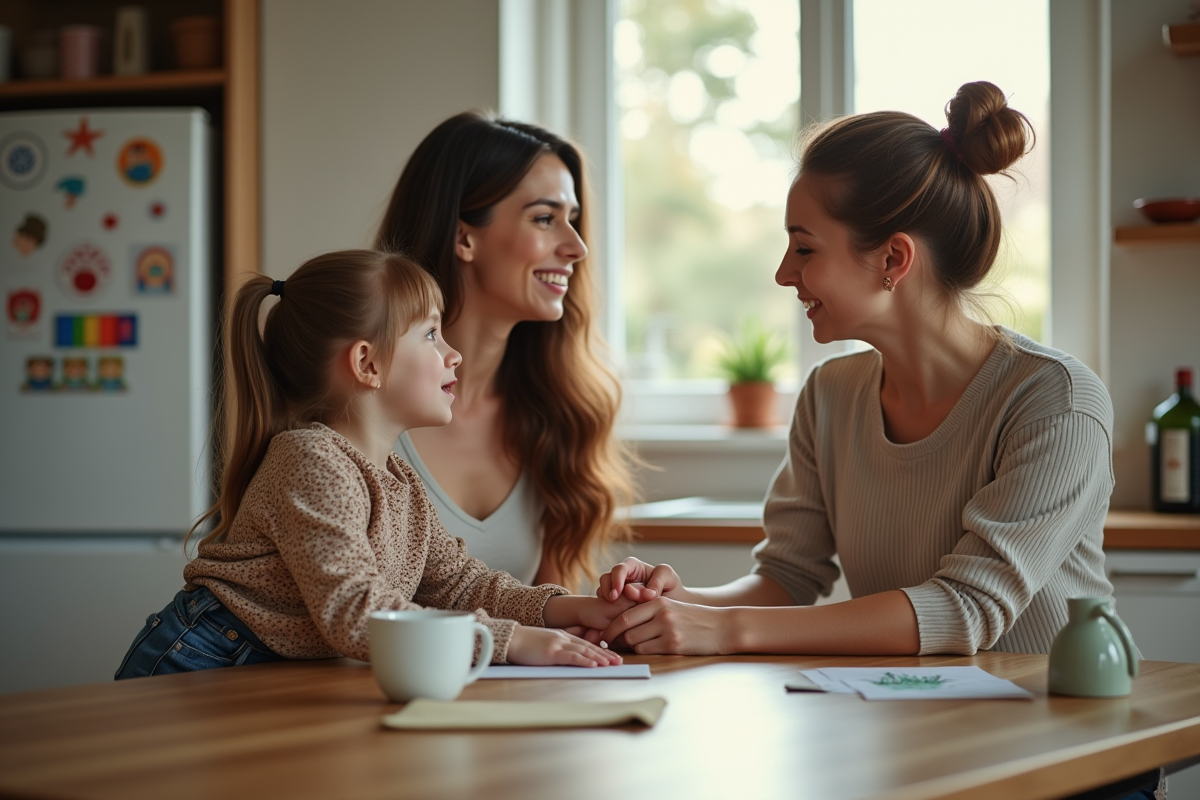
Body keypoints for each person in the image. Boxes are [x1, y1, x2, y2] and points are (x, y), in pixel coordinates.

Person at [594, 81, 1116, 658]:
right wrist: (679, 605)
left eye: (804, 248)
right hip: (912, 704)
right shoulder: (829, 394)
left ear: (893, 258)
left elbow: (964, 608)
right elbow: (786, 578)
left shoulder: (1056, 400)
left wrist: (724, 630)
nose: (783, 273)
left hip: (1058, 707)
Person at [115, 250, 631, 679]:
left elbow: (458, 583)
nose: (452, 354)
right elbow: (357, 611)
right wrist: (508, 640)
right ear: (367, 363)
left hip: (270, 668)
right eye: (430, 334)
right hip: (199, 660)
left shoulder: (400, 482)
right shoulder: (311, 462)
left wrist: (572, 608)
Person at [375, 112, 634, 591]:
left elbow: (550, 612)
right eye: (545, 219)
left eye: (573, 221)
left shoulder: (559, 414)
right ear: (463, 237)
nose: (577, 247)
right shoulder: (356, 406)